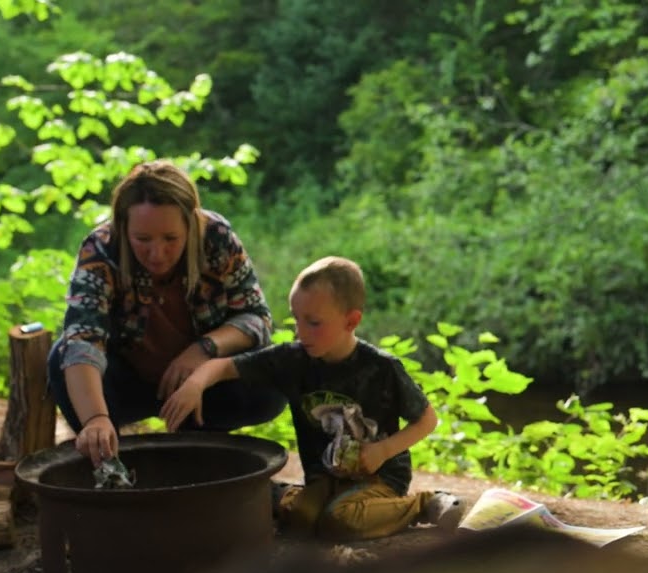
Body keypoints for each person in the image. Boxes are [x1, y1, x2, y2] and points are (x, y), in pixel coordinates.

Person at [160, 256, 463, 540]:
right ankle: (278, 494)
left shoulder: (382, 368)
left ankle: (425, 504)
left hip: (379, 478)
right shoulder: (293, 359)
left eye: (314, 323)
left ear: (351, 321)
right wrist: (195, 383)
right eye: (297, 320)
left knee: (341, 521)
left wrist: (383, 450)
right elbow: (225, 366)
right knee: (301, 520)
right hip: (323, 478)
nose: (301, 333)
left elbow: (427, 420)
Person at [48, 160, 287, 465]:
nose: (157, 253)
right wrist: (95, 418)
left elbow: (256, 318)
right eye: (142, 240)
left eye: (171, 239)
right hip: (127, 380)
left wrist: (203, 349)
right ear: (123, 228)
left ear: (191, 225)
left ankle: (200, 442)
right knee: (61, 357)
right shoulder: (101, 249)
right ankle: (108, 450)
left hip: (203, 383)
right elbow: (83, 339)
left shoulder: (216, 237)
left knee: (269, 380)